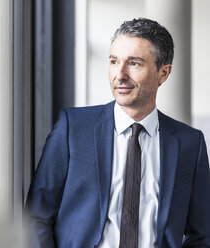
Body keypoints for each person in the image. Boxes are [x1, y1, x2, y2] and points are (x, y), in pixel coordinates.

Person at [25, 18, 210, 248]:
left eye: (134, 63)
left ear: (163, 73)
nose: (120, 75)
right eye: (114, 61)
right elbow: (37, 215)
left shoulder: (190, 144)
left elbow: (202, 234)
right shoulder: (72, 128)